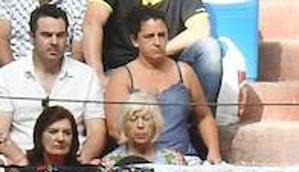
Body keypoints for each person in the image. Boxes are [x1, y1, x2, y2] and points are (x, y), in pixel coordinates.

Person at [101, 8, 220, 162]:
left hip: (183, 159)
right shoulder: (122, 76)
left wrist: (214, 151)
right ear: (135, 40)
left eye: (162, 35)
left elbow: (204, 116)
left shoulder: (184, 72)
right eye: (149, 36)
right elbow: (115, 129)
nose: (157, 42)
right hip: (137, 159)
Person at [0, 3, 103, 163]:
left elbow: (97, 132)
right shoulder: (7, 75)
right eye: (47, 35)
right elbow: (1, 134)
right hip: (20, 163)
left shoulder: (86, 75)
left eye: (60, 35)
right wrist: (23, 163)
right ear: (31, 37)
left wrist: (78, 166)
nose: (54, 41)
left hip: (72, 164)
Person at [83, 0, 220, 109]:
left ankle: (198, 127)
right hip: (120, 69)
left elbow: (201, 30)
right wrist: (97, 76)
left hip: (168, 70)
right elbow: (92, 22)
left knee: (209, 48)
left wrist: (154, 51)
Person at [101, 88, 184, 163]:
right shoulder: (109, 163)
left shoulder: (174, 161)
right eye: (133, 119)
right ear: (124, 125)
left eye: (146, 119)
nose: (140, 125)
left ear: (156, 123)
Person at [0, 0, 83, 64]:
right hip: (17, 68)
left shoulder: (78, 3)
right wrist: (15, 77)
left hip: (63, 73)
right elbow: (2, 39)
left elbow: (77, 52)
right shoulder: (10, 2)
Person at [26, 100, 78, 164]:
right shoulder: (22, 170)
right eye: (53, 132)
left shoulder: (84, 171)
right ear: (39, 135)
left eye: (67, 133)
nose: (60, 138)